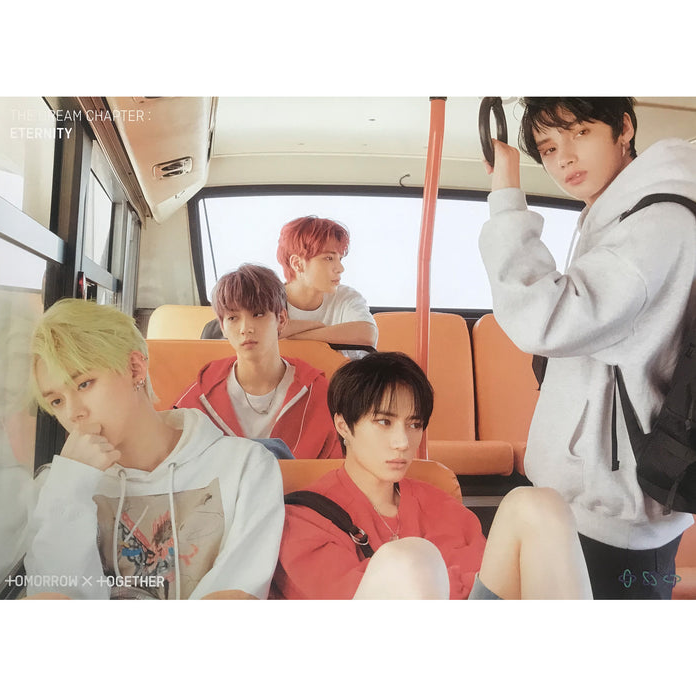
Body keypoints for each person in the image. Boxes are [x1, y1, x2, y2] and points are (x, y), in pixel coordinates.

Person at [479, 97, 696, 599]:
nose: (565, 158)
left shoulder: (657, 224)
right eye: (549, 148)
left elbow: (545, 318)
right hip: (606, 502)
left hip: (615, 518)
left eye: (579, 132)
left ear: (624, 128)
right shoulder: (621, 215)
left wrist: (506, 195)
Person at [271, 351, 592, 600]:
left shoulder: (438, 503)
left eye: (414, 424)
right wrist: (435, 574)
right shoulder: (305, 519)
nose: (402, 442)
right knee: (413, 559)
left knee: (537, 503)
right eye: (384, 422)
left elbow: (482, 578)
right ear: (343, 425)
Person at [25, 298, 284, 600]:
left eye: (84, 384)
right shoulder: (54, 486)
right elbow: (55, 604)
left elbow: (234, 598)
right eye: (57, 401)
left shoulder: (246, 467)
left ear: (135, 369)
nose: (73, 414)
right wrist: (69, 490)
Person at [176, 264, 341, 459]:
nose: (246, 328)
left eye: (258, 314)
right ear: (222, 327)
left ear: (281, 319)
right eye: (233, 318)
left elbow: (335, 465)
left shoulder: (318, 393)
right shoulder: (201, 394)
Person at [276, 216, 378, 358]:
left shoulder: (346, 296)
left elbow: (367, 334)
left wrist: (290, 337)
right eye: (329, 258)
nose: (340, 268)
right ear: (297, 264)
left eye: (340, 259)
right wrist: (317, 327)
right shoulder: (267, 301)